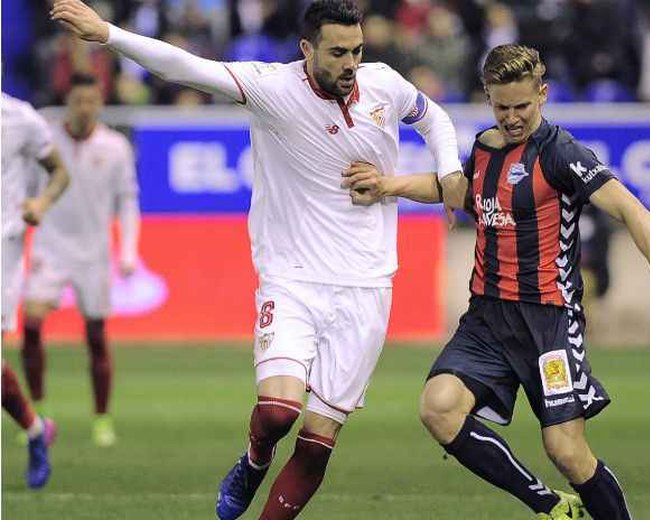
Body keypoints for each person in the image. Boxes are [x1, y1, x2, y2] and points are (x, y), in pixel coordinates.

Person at [50, 1, 465, 519]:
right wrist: (108, 34)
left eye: (357, 51)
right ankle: (254, 457)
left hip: (369, 286)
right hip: (292, 279)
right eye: (337, 52)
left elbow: (435, 117)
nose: (350, 63)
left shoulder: (384, 84)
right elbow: (185, 67)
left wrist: (449, 169)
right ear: (307, 49)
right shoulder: (273, 88)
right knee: (277, 411)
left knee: (317, 442)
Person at [344, 44, 650, 520]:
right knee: (439, 407)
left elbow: (632, 210)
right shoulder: (485, 148)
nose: (511, 117)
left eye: (522, 107)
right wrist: (388, 185)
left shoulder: (561, 153)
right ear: (488, 98)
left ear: (543, 94)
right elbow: (452, 189)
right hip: (488, 318)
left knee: (566, 450)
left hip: (548, 321)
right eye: (501, 106)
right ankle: (551, 507)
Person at [19, 73, 140, 448]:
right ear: (67, 103)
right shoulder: (46, 141)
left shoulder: (115, 146)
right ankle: (36, 414)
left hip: (94, 253)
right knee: (33, 324)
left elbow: (128, 201)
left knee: (95, 336)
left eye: (91, 101)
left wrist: (129, 250)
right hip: (50, 248)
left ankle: (101, 417)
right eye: (77, 101)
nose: (84, 108)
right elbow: (24, 191)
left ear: (99, 103)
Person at [2, 93, 71, 488]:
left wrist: (41, 203)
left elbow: (60, 171)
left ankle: (33, 428)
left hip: (4, 244)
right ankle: (34, 428)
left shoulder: (21, 118)